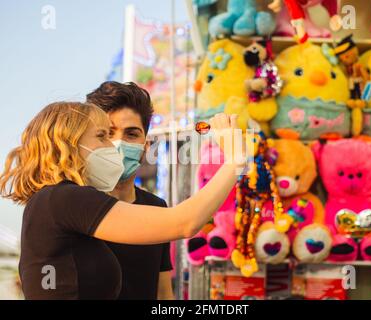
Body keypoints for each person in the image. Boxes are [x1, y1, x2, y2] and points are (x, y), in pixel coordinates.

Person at [0, 101, 245, 300]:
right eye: (102, 136)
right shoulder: (64, 198)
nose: (112, 146)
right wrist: (234, 160)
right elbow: (186, 222)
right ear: (69, 144)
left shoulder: (51, 201)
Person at [86, 81, 174, 300]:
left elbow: (163, 294)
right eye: (107, 133)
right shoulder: (75, 203)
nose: (118, 143)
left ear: (146, 145)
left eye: (131, 134)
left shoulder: (156, 208)